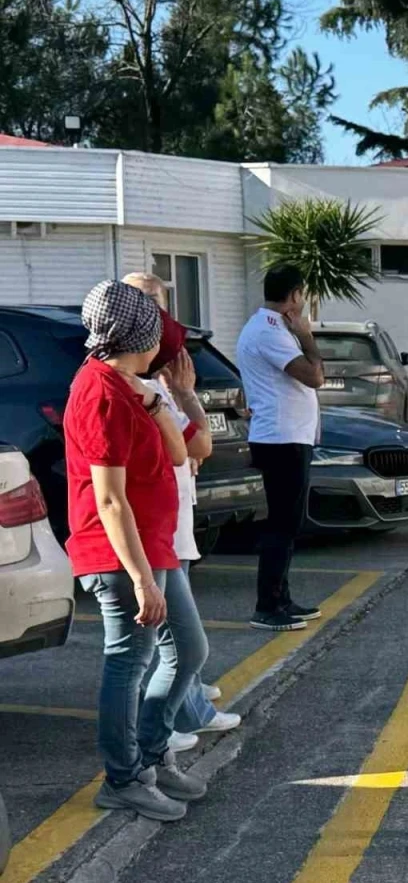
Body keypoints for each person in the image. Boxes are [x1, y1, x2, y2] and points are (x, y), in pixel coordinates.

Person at [65, 280, 209, 822]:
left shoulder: (129, 386)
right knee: (129, 662)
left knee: (188, 651)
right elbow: (109, 500)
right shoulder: (101, 392)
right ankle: (124, 778)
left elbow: (179, 455)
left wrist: (156, 403)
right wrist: (142, 580)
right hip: (122, 555)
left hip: (154, 544)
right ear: (139, 336)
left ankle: (150, 754)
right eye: (157, 331)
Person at [122, 272, 240, 743]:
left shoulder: (159, 375)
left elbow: (196, 444)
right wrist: (186, 407)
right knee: (164, 642)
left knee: (180, 640)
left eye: (161, 304)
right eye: (147, 303)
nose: (159, 316)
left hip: (174, 516)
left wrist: (186, 404)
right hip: (153, 526)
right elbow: (192, 443)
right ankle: (163, 725)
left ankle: (186, 709)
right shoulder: (133, 382)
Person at [235, 264, 325, 632]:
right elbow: (314, 376)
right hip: (280, 439)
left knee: (288, 524)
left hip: (288, 437)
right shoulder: (269, 331)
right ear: (294, 296)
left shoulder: (270, 328)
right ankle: (267, 606)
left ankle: (282, 599)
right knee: (281, 525)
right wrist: (306, 336)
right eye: (302, 295)